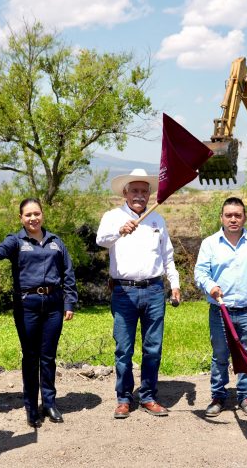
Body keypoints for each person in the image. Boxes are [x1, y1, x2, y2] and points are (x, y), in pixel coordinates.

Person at [96, 168, 181, 419]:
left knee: (153, 348)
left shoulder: (158, 220)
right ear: (125, 192)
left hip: (154, 290)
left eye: (144, 191)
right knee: (124, 348)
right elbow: (101, 239)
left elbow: (168, 256)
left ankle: (148, 396)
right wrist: (119, 231)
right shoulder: (112, 217)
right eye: (135, 190)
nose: (140, 195)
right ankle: (124, 398)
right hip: (124, 291)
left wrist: (174, 283)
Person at [0, 198, 77, 428]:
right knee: (30, 357)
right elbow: (2, 250)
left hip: (54, 305)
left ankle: (49, 403)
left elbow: (68, 273)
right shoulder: (16, 240)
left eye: (36, 213)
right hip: (28, 305)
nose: (33, 218)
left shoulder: (56, 242)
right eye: (28, 215)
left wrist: (69, 303)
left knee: (48, 357)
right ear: (21, 218)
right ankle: (31, 407)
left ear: (42, 215)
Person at [194, 197, 247, 418]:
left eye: (237, 215)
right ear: (221, 217)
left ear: (244, 217)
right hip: (221, 311)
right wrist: (210, 286)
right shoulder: (209, 243)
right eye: (229, 215)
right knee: (220, 355)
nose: (233, 219)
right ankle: (218, 396)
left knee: (246, 355)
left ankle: (245, 396)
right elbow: (200, 272)